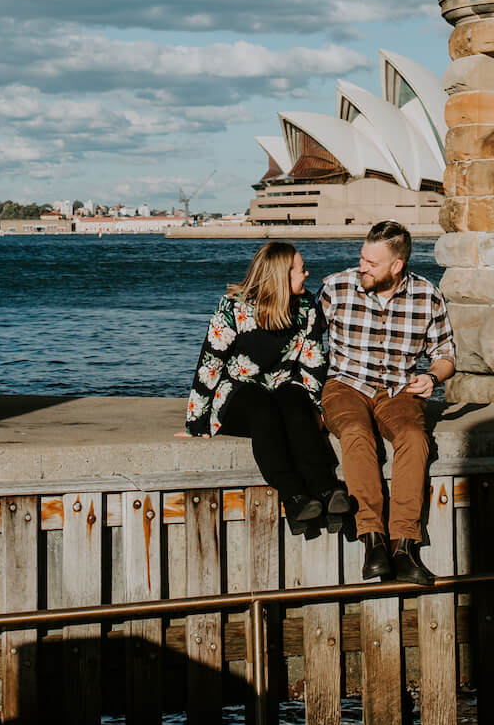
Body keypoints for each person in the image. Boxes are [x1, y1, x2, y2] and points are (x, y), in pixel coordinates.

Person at [319, 221, 456, 586]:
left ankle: (404, 547)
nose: (362, 267)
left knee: (414, 438)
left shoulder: (428, 295)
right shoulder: (336, 287)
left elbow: (445, 354)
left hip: (399, 390)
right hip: (345, 385)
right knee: (355, 432)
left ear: (397, 266)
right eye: (362, 258)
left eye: (371, 263)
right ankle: (373, 540)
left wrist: (432, 377)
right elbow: (304, 339)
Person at [184, 241, 350, 533]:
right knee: (262, 409)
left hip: (284, 388)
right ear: (282, 275)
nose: (307, 274)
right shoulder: (233, 308)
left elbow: (313, 364)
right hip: (238, 394)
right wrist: (197, 423)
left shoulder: (306, 307)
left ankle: (326, 490)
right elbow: (210, 365)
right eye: (301, 270)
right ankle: (294, 496)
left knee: (296, 405)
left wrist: (318, 409)